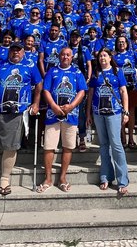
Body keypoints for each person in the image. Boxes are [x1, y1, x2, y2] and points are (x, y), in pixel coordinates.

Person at [0, 41, 42, 196]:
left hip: (16, 111)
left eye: (18, 50)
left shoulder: (30, 65)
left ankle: (4, 179)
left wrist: (35, 103)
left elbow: (39, 84)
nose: (16, 53)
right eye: (13, 50)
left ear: (23, 52)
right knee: (3, 143)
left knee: (10, 146)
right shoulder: (0, 65)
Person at [37, 47, 87, 193]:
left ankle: (63, 178)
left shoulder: (77, 72)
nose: (65, 57)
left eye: (68, 55)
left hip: (70, 114)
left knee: (68, 146)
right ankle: (48, 178)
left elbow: (82, 91)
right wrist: (53, 105)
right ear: (59, 56)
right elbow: (45, 90)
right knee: (49, 146)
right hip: (53, 114)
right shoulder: (52, 71)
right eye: (63, 54)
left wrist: (71, 106)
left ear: (72, 57)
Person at [86, 48, 130, 195]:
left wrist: (126, 111)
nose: (102, 58)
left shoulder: (118, 72)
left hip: (114, 113)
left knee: (116, 145)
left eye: (105, 55)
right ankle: (106, 176)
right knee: (103, 145)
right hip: (98, 113)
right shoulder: (96, 74)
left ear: (110, 57)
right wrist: (88, 114)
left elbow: (124, 91)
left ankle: (122, 180)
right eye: (100, 56)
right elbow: (91, 94)